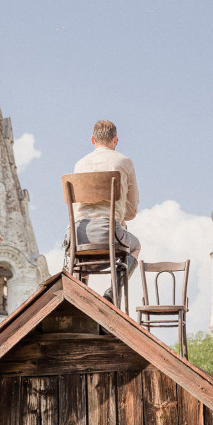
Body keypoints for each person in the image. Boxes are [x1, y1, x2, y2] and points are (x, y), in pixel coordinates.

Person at [71, 120, 140, 301]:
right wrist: (120, 217)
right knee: (136, 246)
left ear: (92, 140)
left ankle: (80, 295)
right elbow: (132, 210)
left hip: (78, 235)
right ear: (115, 139)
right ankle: (112, 292)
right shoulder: (124, 162)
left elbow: (76, 208)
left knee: (81, 260)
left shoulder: (79, 165)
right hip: (108, 233)